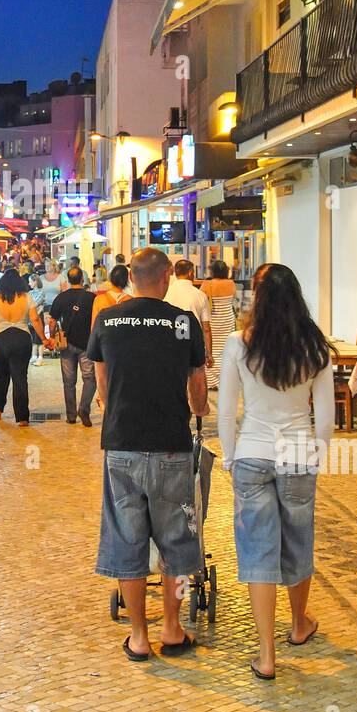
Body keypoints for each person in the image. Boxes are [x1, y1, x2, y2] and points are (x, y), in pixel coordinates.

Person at [88, 247, 208, 660]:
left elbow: (100, 382)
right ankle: (172, 630)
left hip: (121, 445)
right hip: (171, 446)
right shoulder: (183, 322)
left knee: (127, 539)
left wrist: (112, 407)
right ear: (167, 277)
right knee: (176, 542)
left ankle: (139, 636)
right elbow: (197, 382)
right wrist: (200, 407)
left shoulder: (107, 319)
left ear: (131, 277)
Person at [217, 262, 334, 682]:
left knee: (257, 551)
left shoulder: (238, 344)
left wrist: (230, 458)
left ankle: (266, 655)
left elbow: (227, 411)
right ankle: (299, 624)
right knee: (298, 542)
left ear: (258, 298)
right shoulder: (315, 347)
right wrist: (317, 455)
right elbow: (325, 419)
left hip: (252, 454)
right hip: (299, 454)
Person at [0, 269, 49, 425]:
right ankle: (22, 417)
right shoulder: (26, 298)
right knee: (20, 378)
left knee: (1, 376)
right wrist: (44, 339)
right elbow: (35, 320)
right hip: (22, 338)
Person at [49, 266, 97, 425]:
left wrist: (52, 336)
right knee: (89, 378)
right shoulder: (92, 297)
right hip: (87, 344)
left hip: (66, 344)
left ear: (68, 280)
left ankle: (71, 415)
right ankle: (84, 408)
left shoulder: (61, 298)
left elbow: (52, 320)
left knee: (69, 382)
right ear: (82, 279)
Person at [166, 259, 213, 369]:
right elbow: (206, 329)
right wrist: (209, 354)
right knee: (193, 377)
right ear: (191, 273)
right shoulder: (200, 295)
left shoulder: (166, 292)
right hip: (192, 344)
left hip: (169, 342)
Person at [200, 260, 238, 388]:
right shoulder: (231, 284)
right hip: (227, 319)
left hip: (212, 320)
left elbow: (201, 299)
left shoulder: (207, 284)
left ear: (212, 271)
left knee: (211, 348)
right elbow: (233, 298)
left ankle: (212, 382)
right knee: (225, 349)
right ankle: (225, 380)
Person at [27, 270, 47, 365]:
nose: (29, 283)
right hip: (30, 317)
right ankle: (34, 355)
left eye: (30, 281)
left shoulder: (41, 293)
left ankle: (40, 356)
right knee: (33, 337)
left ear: (35, 282)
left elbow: (34, 304)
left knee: (39, 337)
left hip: (38, 316)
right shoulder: (30, 293)